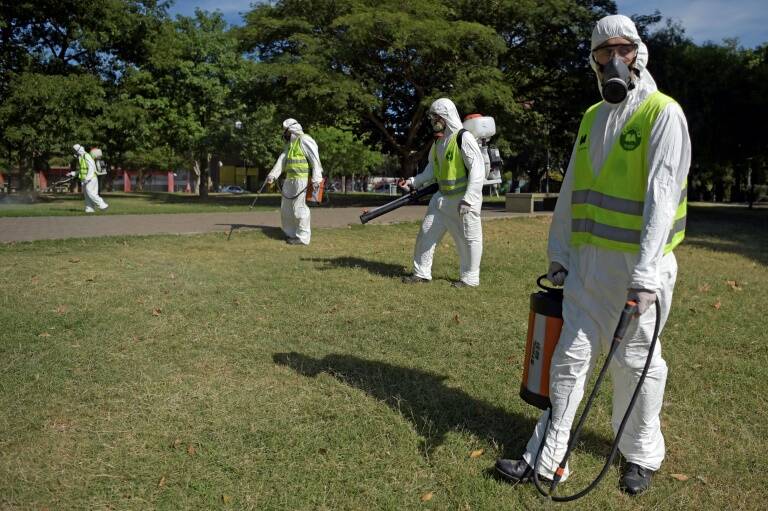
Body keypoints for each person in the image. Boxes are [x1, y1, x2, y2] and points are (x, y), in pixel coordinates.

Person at [494, 14, 690, 496]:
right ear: (594, 61)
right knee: (569, 360)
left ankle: (641, 455)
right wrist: (559, 253)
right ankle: (548, 457)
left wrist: (644, 278)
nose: (614, 59)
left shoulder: (663, 113)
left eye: (623, 49)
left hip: (637, 272)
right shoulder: (591, 117)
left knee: (636, 364)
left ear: (638, 54)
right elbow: (572, 192)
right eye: (604, 52)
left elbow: (662, 200)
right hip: (586, 265)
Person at [400, 98, 485, 288]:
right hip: (441, 199)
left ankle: (470, 279)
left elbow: (477, 170)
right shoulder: (439, 142)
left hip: (463, 200)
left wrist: (469, 199)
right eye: (431, 117)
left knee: (469, 240)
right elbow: (432, 169)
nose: (433, 120)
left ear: (445, 116)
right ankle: (421, 273)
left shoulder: (464, 138)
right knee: (426, 234)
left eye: (435, 116)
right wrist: (413, 181)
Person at [265, 119, 324, 245]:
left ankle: (303, 237)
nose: (284, 135)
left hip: (301, 180)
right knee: (286, 208)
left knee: (299, 208)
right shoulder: (290, 145)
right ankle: (291, 233)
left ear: (291, 130)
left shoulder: (304, 139)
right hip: (289, 180)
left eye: (285, 132)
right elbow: (282, 161)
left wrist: (316, 179)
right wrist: (272, 176)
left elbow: (315, 160)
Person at [68, 144, 108, 213]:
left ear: (78, 150)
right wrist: (73, 173)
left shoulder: (87, 156)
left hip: (91, 179)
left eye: (75, 151)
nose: (74, 152)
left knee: (91, 193)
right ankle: (90, 209)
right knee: (87, 195)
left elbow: (91, 168)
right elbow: (82, 169)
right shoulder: (81, 157)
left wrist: (88, 178)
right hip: (85, 179)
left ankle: (102, 204)